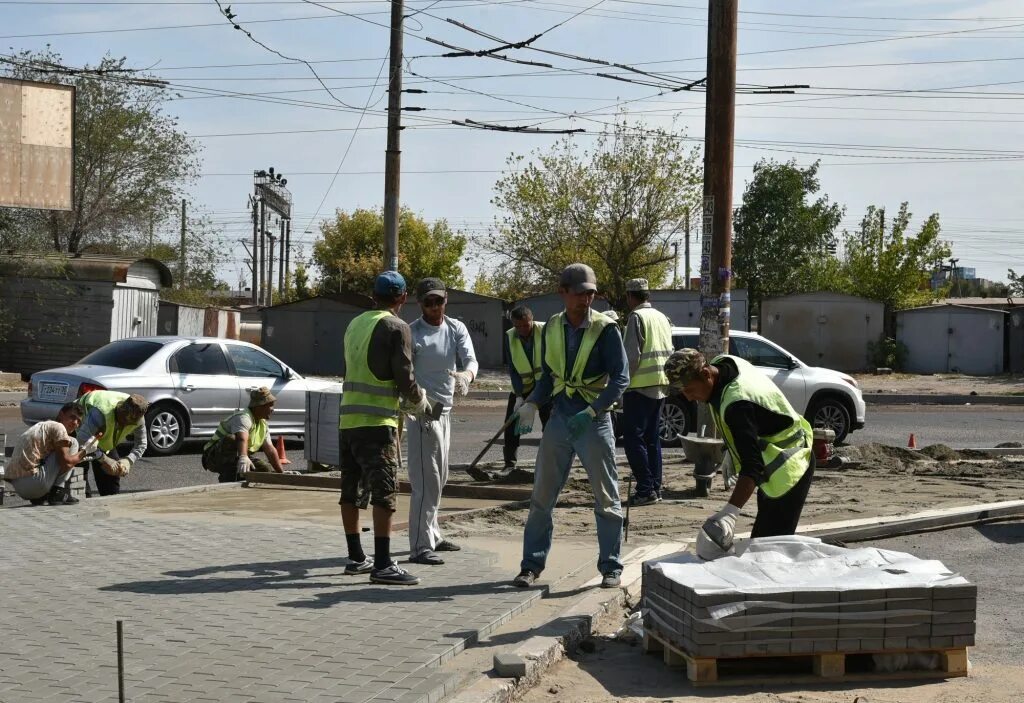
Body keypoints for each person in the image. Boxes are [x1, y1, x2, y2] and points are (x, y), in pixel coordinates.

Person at [512, 263, 628, 589]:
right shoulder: (551, 327)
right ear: (562, 292)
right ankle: (531, 566)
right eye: (579, 294)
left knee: (606, 498)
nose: (586, 299)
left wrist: (593, 411)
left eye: (590, 293)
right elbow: (549, 376)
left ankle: (610, 568)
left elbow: (621, 379)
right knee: (541, 497)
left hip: (593, 421)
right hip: (561, 420)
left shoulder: (605, 329)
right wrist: (532, 402)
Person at [664, 348, 815, 560]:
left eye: (689, 390)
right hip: (775, 459)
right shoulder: (724, 363)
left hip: (790, 465)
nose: (688, 398)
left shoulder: (737, 404)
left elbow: (753, 467)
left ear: (707, 374)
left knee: (770, 550)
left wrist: (730, 512)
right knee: (765, 542)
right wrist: (730, 449)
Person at [338, 271, 432, 586]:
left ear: (372, 295)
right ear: (403, 298)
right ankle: (382, 565)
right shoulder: (397, 327)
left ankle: (356, 558)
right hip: (378, 425)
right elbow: (404, 376)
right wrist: (420, 401)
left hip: (348, 422)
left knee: (350, 491)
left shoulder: (355, 324)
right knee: (385, 492)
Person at [406, 277, 479, 565]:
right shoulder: (412, 333)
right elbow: (405, 374)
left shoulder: (455, 328)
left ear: (446, 300)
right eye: (429, 302)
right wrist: (417, 401)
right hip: (423, 413)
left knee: (442, 477)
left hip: (445, 412)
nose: (435, 307)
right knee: (426, 480)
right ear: (420, 303)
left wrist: (466, 376)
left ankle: (433, 534)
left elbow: (471, 359)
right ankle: (420, 545)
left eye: (439, 301)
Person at [621, 278, 674, 506]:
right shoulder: (662, 317)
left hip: (639, 387)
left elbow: (632, 357)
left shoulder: (636, 317)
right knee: (652, 439)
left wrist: (620, 384)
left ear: (630, 296)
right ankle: (655, 487)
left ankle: (645, 489)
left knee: (633, 439)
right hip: (660, 386)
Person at [4, 403, 90, 505]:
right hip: (36, 482)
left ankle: (42, 496)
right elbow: (67, 462)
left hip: (19, 487)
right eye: (72, 417)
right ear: (61, 414)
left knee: (59, 449)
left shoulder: (41, 427)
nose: (75, 423)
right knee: (73, 442)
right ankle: (58, 492)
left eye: (79, 422)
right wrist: (85, 450)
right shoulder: (59, 427)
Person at [501, 306, 552, 472]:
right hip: (523, 386)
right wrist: (518, 396)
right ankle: (509, 463)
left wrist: (540, 394)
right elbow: (513, 370)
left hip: (545, 386)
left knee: (550, 424)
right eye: (518, 326)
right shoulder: (510, 336)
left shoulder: (545, 331)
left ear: (532, 320)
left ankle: (549, 463)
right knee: (511, 424)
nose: (522, 329)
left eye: (526, 325)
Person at [202, 387, 287, 482]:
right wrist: (243, 457)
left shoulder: (262, 423)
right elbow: (241, 439)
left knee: (265, 469)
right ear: (259, 406)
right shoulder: (243, 417)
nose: (273, 409)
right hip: (213, 458)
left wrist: (282, 474)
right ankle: (227, 480)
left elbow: (270, 450)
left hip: (239, 455)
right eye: (270, 405)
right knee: (231, 439)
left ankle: (240, 477)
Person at [76, 391, 149, 496]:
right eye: (123, 420)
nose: (124, 425)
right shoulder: (101, 413)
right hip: (80, 428)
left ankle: (109, 505)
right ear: (120, 411)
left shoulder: (138, 417)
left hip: (103, 438)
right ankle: (84, 503)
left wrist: (128, 460)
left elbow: (141, 444)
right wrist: (104, 459)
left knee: (111, 483)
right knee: (78, 476)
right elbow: (82, 440)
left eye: (129, 423)